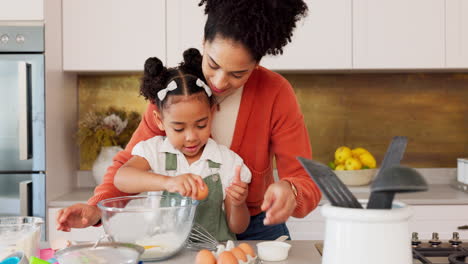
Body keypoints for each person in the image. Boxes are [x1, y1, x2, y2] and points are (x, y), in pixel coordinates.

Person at [56, 0, 322, 240]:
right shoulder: (176, 91)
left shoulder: (275, 93)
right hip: (181, 228)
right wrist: (96, 207)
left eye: (238, 74)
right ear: (203, 43)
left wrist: (291, 190)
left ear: (257, 63)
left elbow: (304, 180)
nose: (219, 82)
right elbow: (128, 165)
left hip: (255, 228)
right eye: (213, 65)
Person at [114, 51, 252, 241]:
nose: (191, 137)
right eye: (178, 128)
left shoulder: (228, 162)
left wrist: (238, 203)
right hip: (165, 255)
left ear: (212, 113)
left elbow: (239, 226)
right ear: (159, 121)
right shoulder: (154, 152)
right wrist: (167, 182)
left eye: (201, 125)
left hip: (214, 256)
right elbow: (121, 179)